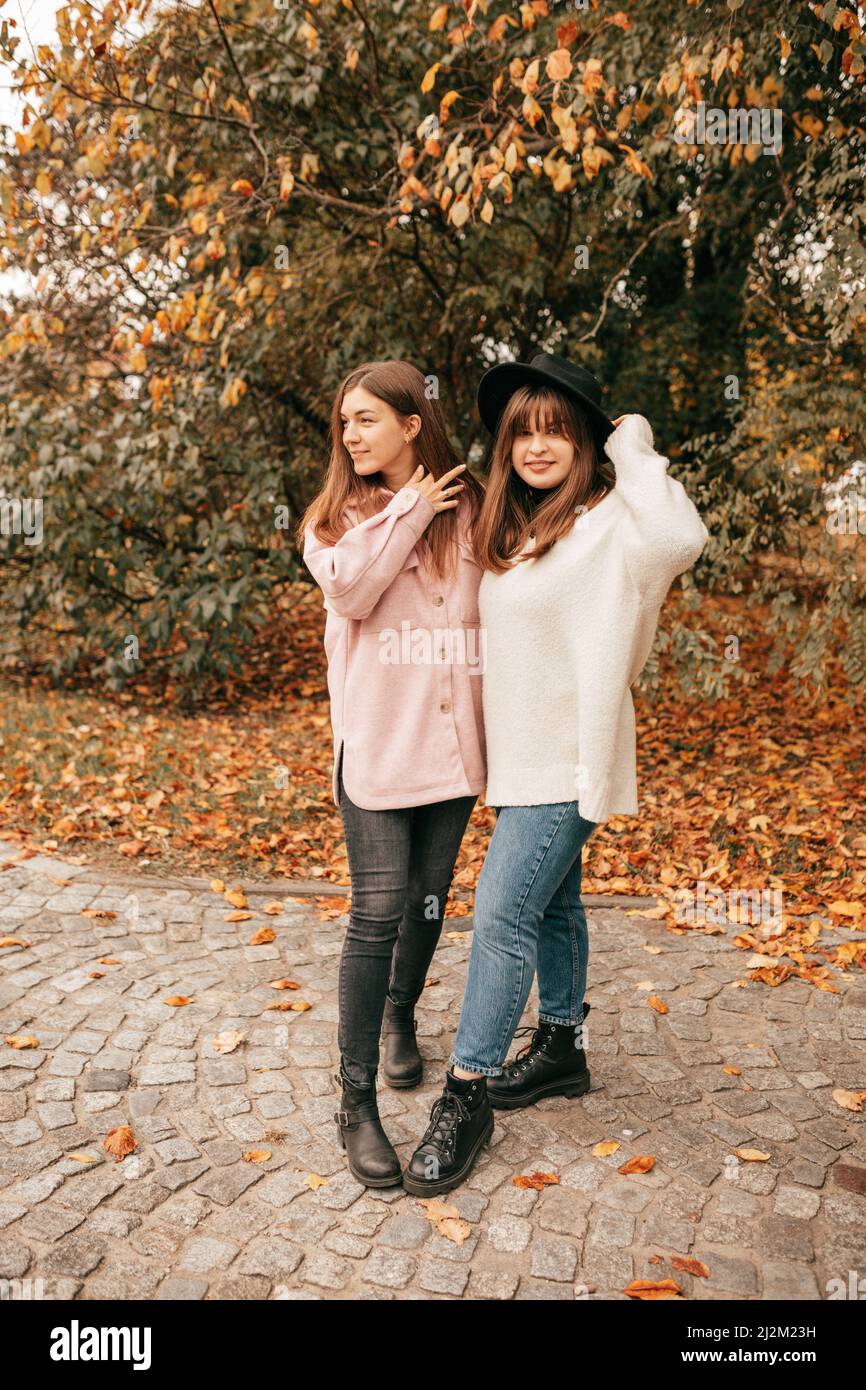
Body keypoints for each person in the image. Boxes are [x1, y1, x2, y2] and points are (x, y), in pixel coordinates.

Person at [403, 353, 710, 1197]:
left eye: (555, 430)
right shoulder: (520, 529)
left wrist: (633, 441)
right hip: (522, 762)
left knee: (501, 914)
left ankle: (465, 1096)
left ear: (583, 440)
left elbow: (687, 537)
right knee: (557, 903)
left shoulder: (618, 525)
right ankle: (563, 1049)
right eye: (522, 432)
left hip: (570, 761)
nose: (538, 446)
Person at [298, 359, 486, 1187]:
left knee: (429, 899)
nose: (350, 435)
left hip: (452, 754)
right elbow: (352, 593)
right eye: (344, 423)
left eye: (366, 419)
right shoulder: (334, 523)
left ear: (414, 424)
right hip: (376, 752)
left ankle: (401, 1017)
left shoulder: (470, 507)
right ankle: (356, 1103)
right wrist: (410, 510)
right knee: (375, 913)